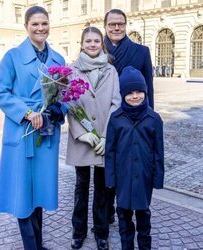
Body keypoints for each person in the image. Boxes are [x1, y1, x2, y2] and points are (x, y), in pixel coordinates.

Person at [0, 6, 66, 250]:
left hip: (45, 134)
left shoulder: (58, 59)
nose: (40, 28)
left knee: (39, 193)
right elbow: (0, 93)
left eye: (44, 23)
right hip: (22, 132)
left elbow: (65, 95)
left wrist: (58, 109)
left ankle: (38, 244)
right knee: (23, 192)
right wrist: (27, 112)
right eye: (35, 24)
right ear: (26, 26)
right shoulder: (12, 57)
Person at [66, 26, 121, 250]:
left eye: (96, 41)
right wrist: (82, 133)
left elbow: (116, 103)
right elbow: (68, 103)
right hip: (83, 139)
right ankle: (78, 231)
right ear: (81, 43)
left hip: (103, 139)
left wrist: (107, 136)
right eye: (88, 41)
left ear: (102, 44)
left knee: (102, 189)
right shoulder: (71, 71)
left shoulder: (111, 70)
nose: (92, 44)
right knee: (81, 187)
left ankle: (101, 233)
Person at [104, 8, 154, 224]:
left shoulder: (141, 51)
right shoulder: (94, 49)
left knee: (129, 167)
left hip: (131, 121)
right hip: (104, 119)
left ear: (126, 25)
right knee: (107, 168)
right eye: (112, 24)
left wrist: (149, 122)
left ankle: (128, 208)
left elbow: (148, 90)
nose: (116, 28)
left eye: (120, 24)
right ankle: (105, 212)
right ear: (105, 27)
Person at [105, 66, 164, 250]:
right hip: (123, 178)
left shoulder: (154, 119)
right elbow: (110, 151)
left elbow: (158, 152)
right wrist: (111, 179)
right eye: (130, 93)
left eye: (139, 91)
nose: (135, 96)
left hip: (144, 177)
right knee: (123, 217)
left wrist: (157, 178)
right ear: (123, 95)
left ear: (145, 92)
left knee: (143, 217)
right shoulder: (116, 119)